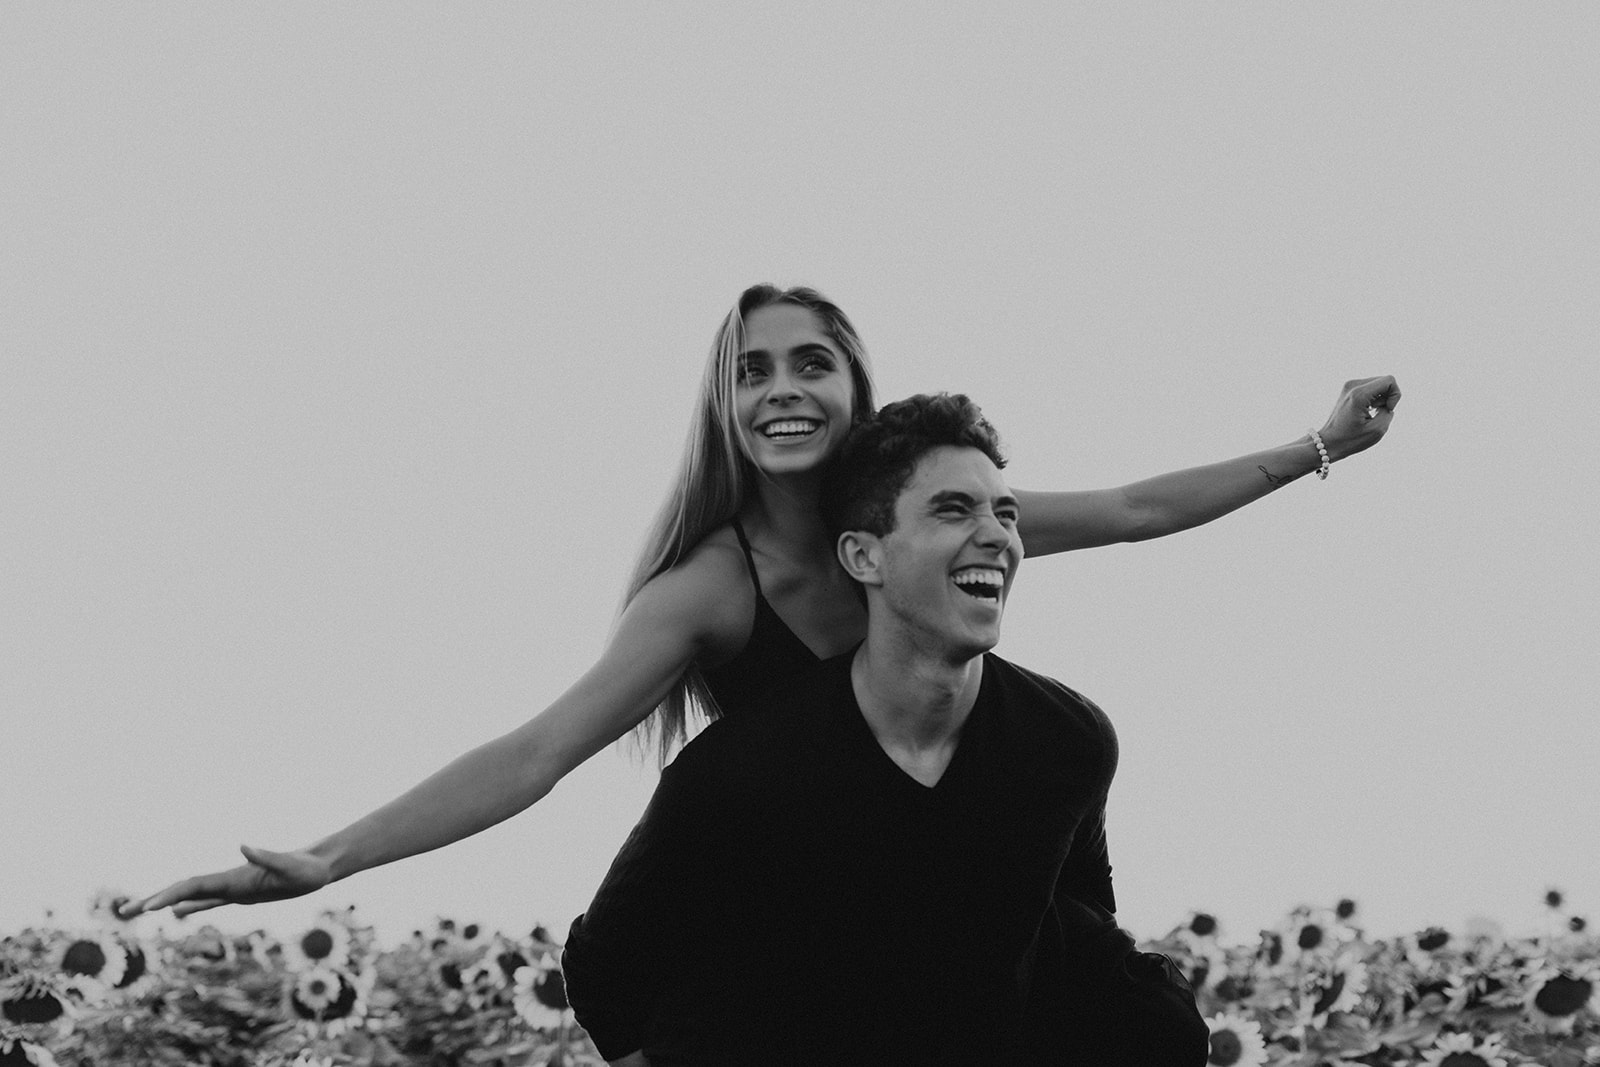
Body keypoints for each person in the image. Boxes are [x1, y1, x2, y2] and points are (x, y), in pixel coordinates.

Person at [126, 284, 1398, 922]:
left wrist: (1317, 443)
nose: (782, 389)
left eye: (810, 362)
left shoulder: (924, 515)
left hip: (939, 878)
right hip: (784, 916)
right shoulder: (709, 587)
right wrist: (330, 856)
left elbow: (1130, 508)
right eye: (752, 373)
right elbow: (536, 750)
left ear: (854, 385)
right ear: (724, 405)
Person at [561, 393, 1199, 1066]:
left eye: (1005, 513)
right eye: (954, 509)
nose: (998, 535)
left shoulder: (1066, 740)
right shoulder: (739, 772)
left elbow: (1079, 926)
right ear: (864, 557)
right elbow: (603, 970)